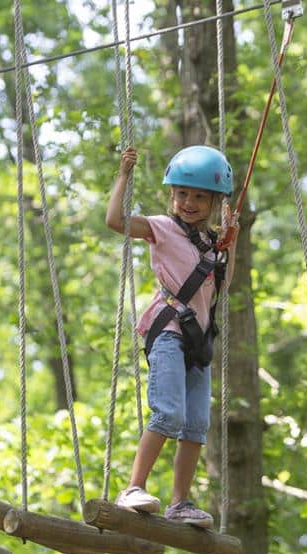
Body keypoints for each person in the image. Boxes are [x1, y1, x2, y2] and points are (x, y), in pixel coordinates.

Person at [105, 145, 239, 528]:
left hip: (199, 342)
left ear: (214, 202)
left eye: (199, 196)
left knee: (195, 425)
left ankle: (180, 503)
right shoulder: (161, 228)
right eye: (182, 193)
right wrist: (123, 175)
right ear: (172, 196)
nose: (189, 202)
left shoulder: (214, 243)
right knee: (169, 412)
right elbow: (115, 220)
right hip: (169, 331)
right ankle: (133, 487)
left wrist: (234, 240)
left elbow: (223, 285)